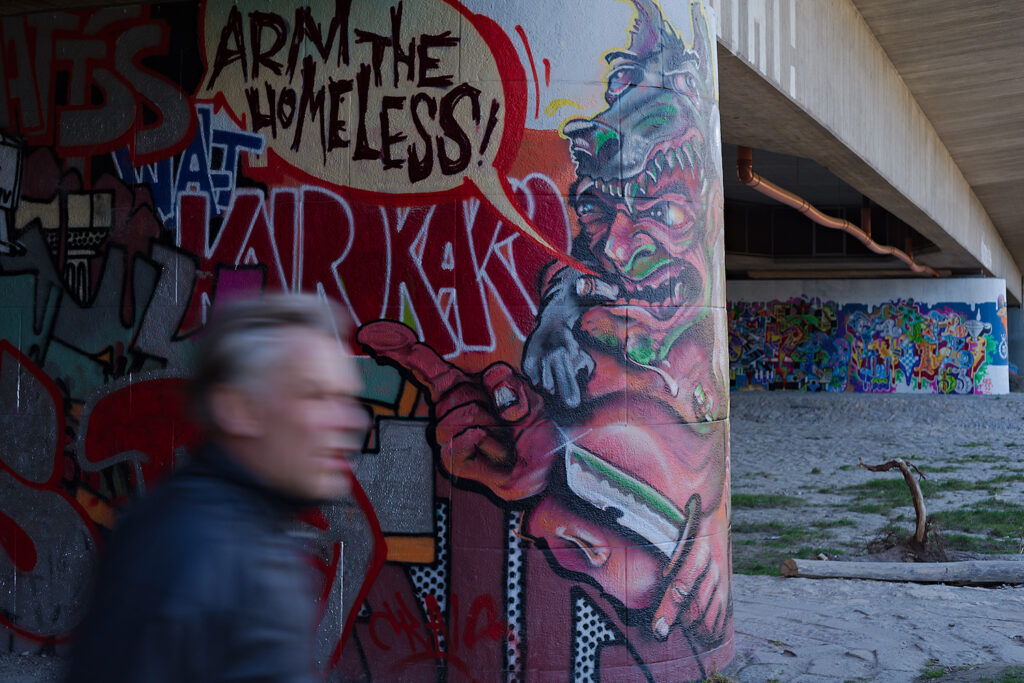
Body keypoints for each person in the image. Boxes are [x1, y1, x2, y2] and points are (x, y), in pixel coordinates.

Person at [66, 294, 370, 682]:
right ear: (239, 409)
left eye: (347, 398)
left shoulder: (210, 529)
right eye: (315, 394)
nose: (349, 421)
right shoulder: (207, 555)